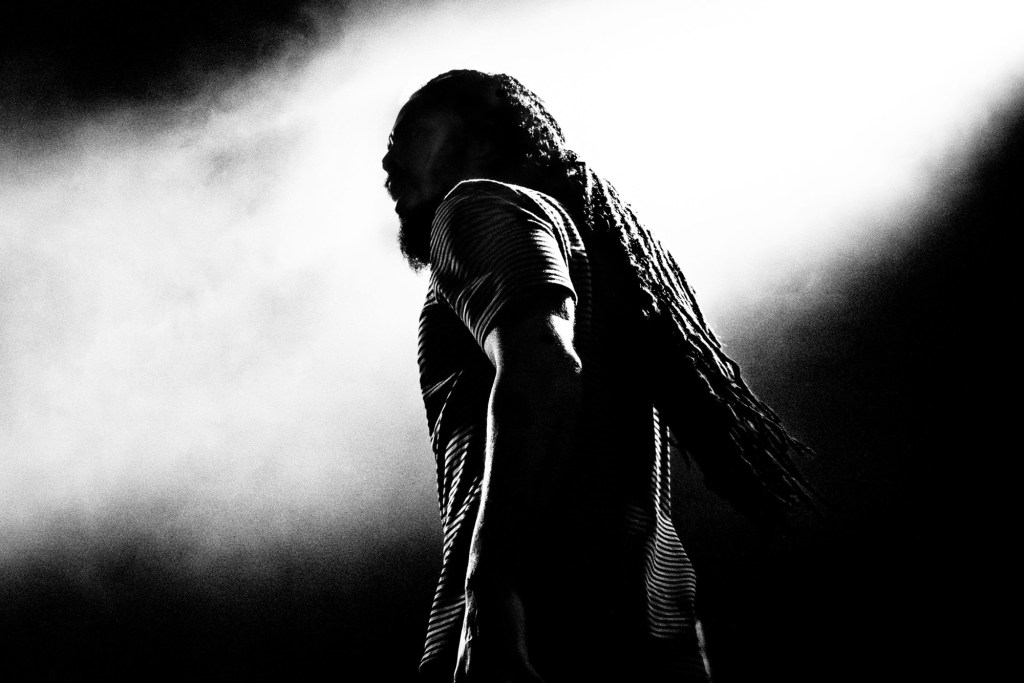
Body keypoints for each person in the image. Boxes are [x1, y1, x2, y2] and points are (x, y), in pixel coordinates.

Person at [382, 70, 814, 682]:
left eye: (408, 133)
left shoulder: (475, 204)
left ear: (483, 138)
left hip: (548, 628)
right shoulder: (599, 256)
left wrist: (489, 591)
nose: (387, 161)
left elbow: (544, 369)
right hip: (640, 638)